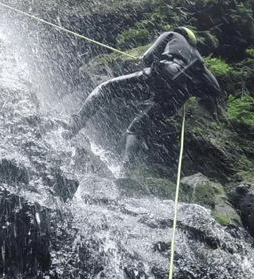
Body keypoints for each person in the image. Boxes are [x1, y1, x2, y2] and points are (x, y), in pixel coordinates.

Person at [64, 27, 221, 171]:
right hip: (178, 98)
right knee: (138, 127)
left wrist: (146, 62)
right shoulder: (199, 62)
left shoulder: (173, 35)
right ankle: (126, 168)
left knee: (105, 89)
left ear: (182, 33)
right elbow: (215, 89)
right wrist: (195, 94)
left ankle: (74, 126)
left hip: (164, 74)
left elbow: (148, 57)